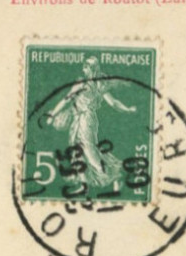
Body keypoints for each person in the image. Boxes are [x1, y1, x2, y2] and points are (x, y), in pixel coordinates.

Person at [44, 56, 137, 188]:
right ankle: (84, 183)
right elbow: (66, 100)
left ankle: (109, 175)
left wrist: (127, 109)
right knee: (76, 150)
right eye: (84, 67)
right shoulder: (87, 84)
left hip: (86, 120)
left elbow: (113, 102)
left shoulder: (96, 85)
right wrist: (53, 113)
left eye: (86, 67)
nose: (84, 69)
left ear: (92, 68)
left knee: (88, 149)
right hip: (78, 119)